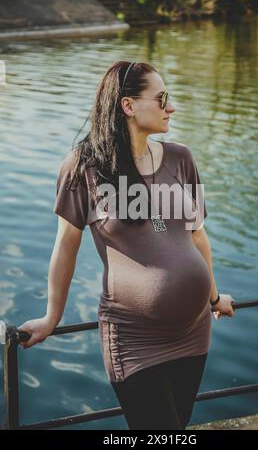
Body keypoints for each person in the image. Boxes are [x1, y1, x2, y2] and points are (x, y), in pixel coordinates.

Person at [18, 61, 235, 430]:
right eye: (162, 98)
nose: (172, 107)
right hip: (134, 338)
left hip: (195, 331)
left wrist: (213, 298)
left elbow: (197, 236)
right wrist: (52, 317)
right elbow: (65, 247)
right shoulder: (83, 166)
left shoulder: (182, 158)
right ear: (128, 106)